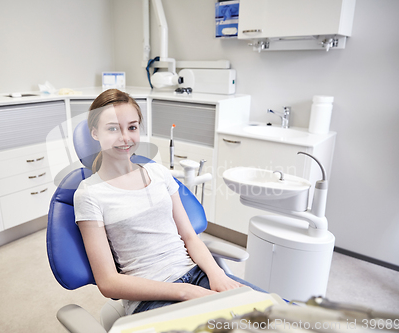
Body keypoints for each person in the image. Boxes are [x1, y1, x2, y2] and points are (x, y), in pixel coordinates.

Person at [74, 89, 264, 315]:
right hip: (151, 299)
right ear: (95, 133)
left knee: (275, 317)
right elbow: (108, 282)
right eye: (113, 128)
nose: (125, 137)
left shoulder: (159, 173)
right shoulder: (89, 194)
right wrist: (184, 292)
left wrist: (217, 274)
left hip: (197, 275)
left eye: (132, 127)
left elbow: (189, 236)